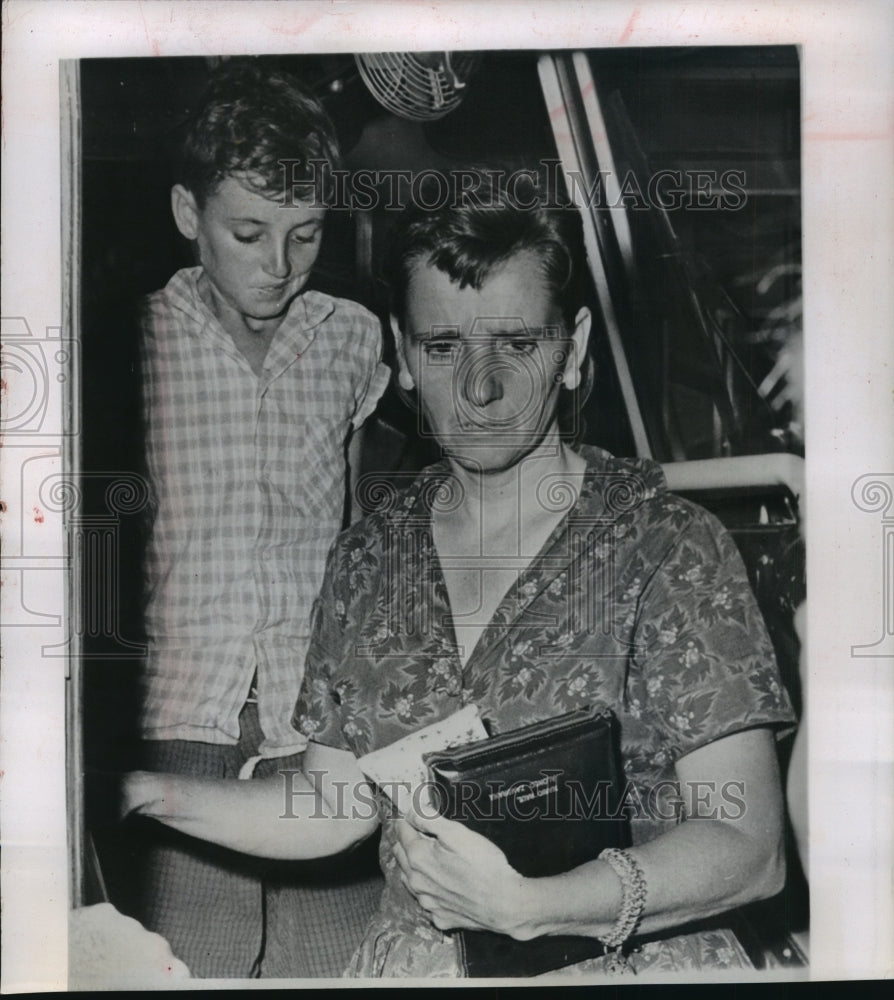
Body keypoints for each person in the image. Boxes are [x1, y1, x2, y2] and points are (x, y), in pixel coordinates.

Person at [124, 171, 797, 978]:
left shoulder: (666, 546)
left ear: (574, 349)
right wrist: (147, 792)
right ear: (404, 356)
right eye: (444, 347)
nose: (481, 387)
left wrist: (536, 906)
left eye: (518, 344)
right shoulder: (369, 559)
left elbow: (749, 845)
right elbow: (336, 803)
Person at [134, 59, 389, 977]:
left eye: (305, 235)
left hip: (315, 727)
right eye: (248, 233)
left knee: (340, 972)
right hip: (176, 719)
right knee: (182, 967)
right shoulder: (133, 338)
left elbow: (353, 530)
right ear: (187, 214)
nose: (279, 266)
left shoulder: (352, 338)